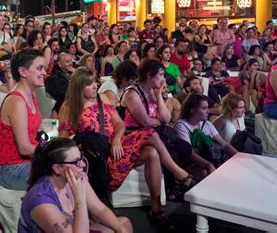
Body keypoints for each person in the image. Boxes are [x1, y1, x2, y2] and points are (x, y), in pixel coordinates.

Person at [60, 67, 194, 230]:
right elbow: (63, 142)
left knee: (151, 150)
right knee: (150, 136)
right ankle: (178, 173)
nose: (95, 85)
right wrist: (82, 144)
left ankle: (157, 209)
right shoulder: (69, 108)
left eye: (95, 81)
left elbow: (119, 123)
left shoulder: (103, 98)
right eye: (89, 84)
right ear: (79, 86)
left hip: (117, 147)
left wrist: (116, 139)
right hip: (97, 157)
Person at [19, 138, 132, 233]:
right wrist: (80, 198)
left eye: (81, 158)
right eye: (75, 161)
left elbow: (99, 209)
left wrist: (121, 230)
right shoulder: (41, 201)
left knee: (124, 224)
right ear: (57, 168)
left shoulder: (76, 177)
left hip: (75, 228)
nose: (82, 164)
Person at [0, 50, 46, 190]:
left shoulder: (31, 95)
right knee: (65, 172)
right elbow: (24, 148)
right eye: (39, 68)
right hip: (12, 168)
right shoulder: (17, 101)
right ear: (23, 72)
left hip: (29, 160)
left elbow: (37, 133)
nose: (45, 73)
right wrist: (54, 152)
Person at [174, 93, 238, 176]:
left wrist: (239, 155)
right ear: (193, 110)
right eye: (204, 108)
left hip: (209, 158)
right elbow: (190, 154)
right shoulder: (181, 126)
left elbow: (224, 144)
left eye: (207, 107)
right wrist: (208, 165)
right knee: (204, 172)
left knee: (231, 162)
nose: (208, 111)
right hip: (189, 162)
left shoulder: (207, 124)